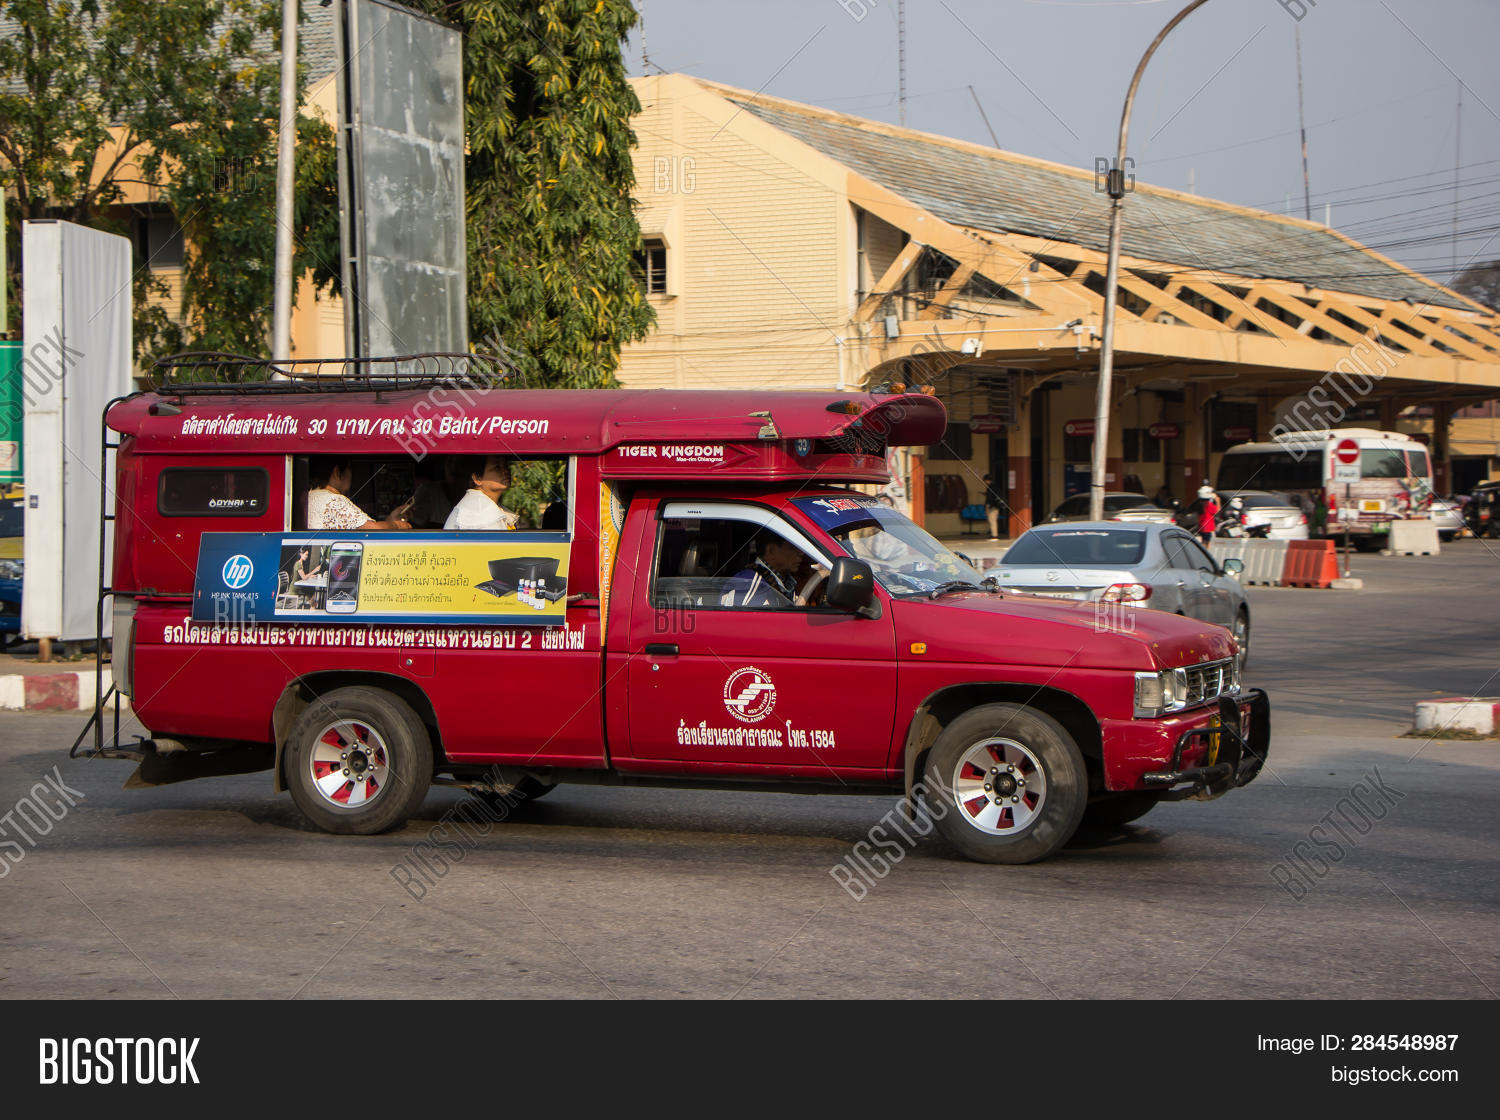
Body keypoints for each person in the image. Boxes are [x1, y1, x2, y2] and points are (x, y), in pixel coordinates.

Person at [306, 458, 412, 531]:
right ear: (337, 472)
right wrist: (398, 525)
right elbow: (372, 530)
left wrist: (390, 519)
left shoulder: (310, 496)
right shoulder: (332, 500)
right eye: (350, 469)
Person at [728, 535, 811, 607]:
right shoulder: (750, 583)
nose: (801, 553)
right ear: (771, 551)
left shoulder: (785, 583)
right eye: (792, 548)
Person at [443, 455, 519, 531]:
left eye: (505, 466)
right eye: (497, 467)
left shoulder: (484, 504)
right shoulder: (480, 509)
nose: (505, 471)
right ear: (477, 478)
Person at [981, 473, 1005, 541]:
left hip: (992, 507)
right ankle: (994, 535)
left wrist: (987, 507)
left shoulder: (990, 487)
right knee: (994, 520)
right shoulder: (996, 486)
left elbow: (989, 498)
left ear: (986, 480)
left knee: (992, 521)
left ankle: (994, 536)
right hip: (997, 506)